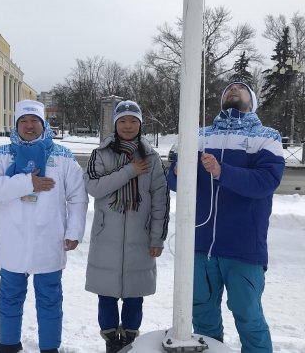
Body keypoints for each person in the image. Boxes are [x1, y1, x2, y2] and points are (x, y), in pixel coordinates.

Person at [168, 82, 285, 353]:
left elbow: (266, 181)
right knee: (203, 318)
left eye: (240, 88)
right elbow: (177, 183)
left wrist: (223, 172)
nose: (233, 90)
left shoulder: (267, 136)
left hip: (243, 248)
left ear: (252, 100)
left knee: (249, 318)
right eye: (228, 89)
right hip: (199, 246)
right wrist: (175, 173)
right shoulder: (199, 134)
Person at [0, 99, 89, 353]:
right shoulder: (3, 154)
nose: (29, 126)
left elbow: (77, 197)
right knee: (9, 297)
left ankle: (50, 347)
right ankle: (8, 343)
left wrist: (74, 231)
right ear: (17, 125)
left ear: (43, 124)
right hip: (13, 240)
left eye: (34, 121)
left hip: (48, 239)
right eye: (24, 121)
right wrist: (28, 183)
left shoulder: (62, 156)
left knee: (50, 299)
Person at [84, 100, 170, 353]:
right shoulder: (100, 154)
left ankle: (130, 340)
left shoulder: (152, 158)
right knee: (106, 295)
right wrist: (130, 171)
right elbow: (94, 188)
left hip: (140, 237)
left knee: (135, 295)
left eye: (133, 120)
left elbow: (160, 201)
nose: (128, 125)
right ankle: (112, 340)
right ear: (115, 125)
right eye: (123, 121)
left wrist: (157, 239)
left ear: (141, 124)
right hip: (106, 236)